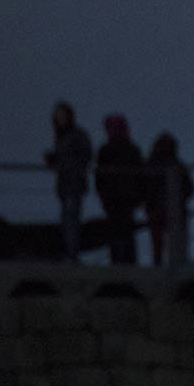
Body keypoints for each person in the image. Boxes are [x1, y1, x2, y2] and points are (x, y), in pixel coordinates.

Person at [43, 101, 92, 262]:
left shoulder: (76, 135)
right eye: (58, 115)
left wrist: (63, 161)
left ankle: (72, 254)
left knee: (71, 221)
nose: (60, 118)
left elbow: (85, 156)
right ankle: (69, 252)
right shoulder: (61, 136)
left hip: (74, 184)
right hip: (64, 185)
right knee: (66, 220)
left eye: (62, 115)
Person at [94, 114, 145, 265]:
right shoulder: (131, 149)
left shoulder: (107, 150)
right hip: (122, 197)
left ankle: (119, 260)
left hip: (118, 198)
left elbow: (99, 177)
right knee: (124, 230)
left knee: (118, 231)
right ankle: (127, 261)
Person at [144, 131, 194, 266]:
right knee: (174, 241)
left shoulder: (151, 164)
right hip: (172, 210)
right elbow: (189, 189)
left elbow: (146, 188)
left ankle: (160, 265)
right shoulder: (178, 165)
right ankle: (177, 263)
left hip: (160, 210)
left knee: (160, 242)